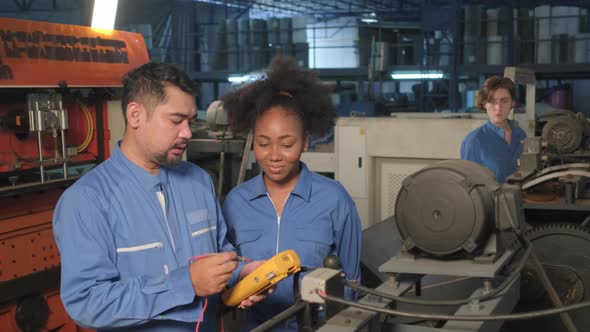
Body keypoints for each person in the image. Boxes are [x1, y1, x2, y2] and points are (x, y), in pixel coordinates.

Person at [53, 62, 264, 332]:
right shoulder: (86, 201)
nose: (187, 132)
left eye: (190, 120)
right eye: (176, 120)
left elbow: (220, 252)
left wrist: (243, 274)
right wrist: (185, 284)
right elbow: (87, 303)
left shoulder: (198, 181)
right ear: (135, 115)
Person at [220, 56, 362, 331]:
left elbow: (352, 282)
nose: (274, 155)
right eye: (263, 143)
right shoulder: (236, 202)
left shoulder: (334, 199)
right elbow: (228, 270)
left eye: (286, 144)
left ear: (305, 141)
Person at [461, 76, 527, 183]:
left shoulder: (520, 135)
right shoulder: (474, 141)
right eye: (492, 101)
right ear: (484, 104)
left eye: (504, 101)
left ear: (512, 103)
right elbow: (468, 185)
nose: (498, 108)